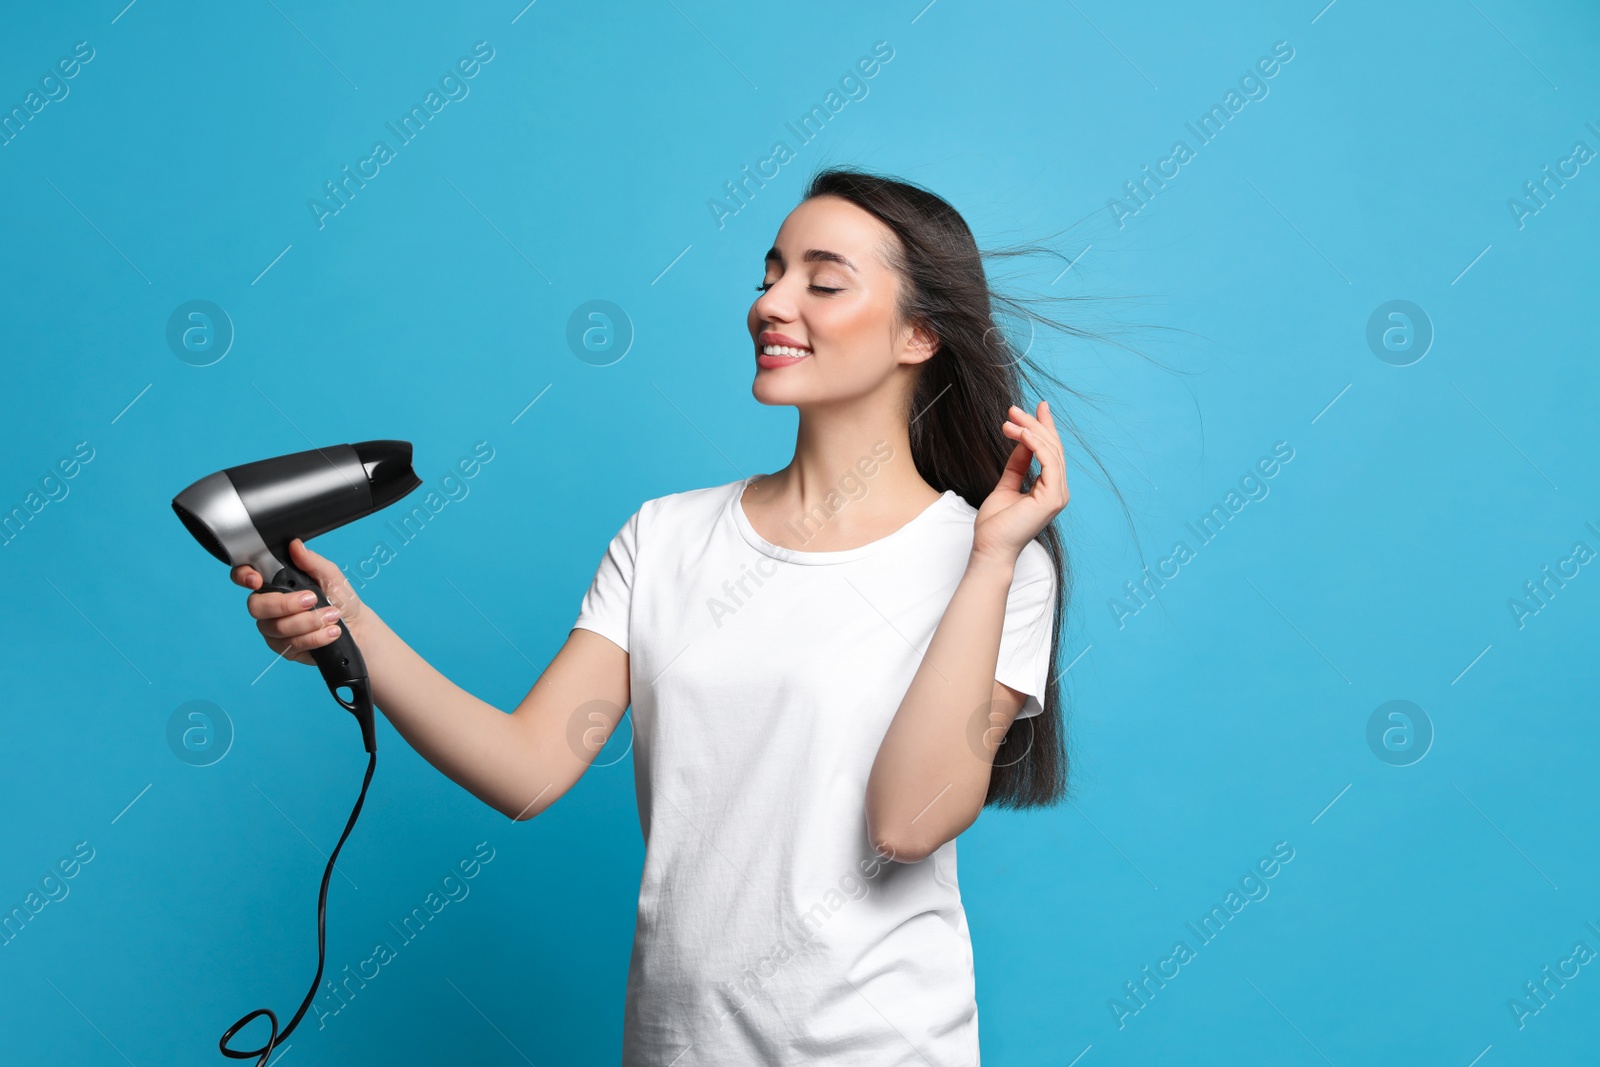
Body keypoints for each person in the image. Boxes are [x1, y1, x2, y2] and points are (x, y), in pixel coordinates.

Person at [232, 167, 1078, 1065]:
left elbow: (909, 822)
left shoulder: (995, 565)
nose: (771, 304)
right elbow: (528, 769)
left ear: (919, 334)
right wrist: (352, 623)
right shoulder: (666, 536)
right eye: (769, 275)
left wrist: (989, 560)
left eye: (823, 282)